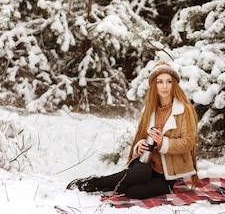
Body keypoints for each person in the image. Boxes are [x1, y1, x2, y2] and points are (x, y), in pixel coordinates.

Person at [66, 61, 199, 199]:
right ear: (154, 85)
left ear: (174, 84)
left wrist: (164, 142)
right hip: (145, 164)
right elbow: (140, 137)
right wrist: (139, 146)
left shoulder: (184, 110)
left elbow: (188, 142)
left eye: (169, 81)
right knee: (142, 171)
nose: (164, 86)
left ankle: (116, 183)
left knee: (134, 192)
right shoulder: (149, 110)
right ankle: (94, 183)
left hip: (166, 174)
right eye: (160, 82)